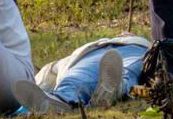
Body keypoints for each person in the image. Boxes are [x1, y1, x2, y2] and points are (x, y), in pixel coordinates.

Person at [11, 35, 150, 114]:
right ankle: (59, 101)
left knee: (74, 80)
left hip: (136, 49)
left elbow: (46, 76)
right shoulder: (60, 64)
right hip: (96, 52)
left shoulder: (56, 66)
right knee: (127, 73)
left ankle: (62, 99)